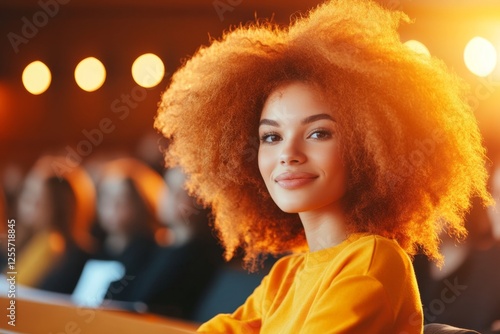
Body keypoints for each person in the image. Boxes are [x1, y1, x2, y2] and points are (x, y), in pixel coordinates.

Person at [154, 0, 492, 332]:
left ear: (369, 148)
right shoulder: (285, 277)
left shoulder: (372, 260)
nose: (289, 153)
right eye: (271, 137)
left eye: (318, 133)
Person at [14, 155, 97, 293]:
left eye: (39, 198)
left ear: (61, 205)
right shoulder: (19, 242)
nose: (28, 205)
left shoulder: (77, 258)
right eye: (28, 194)